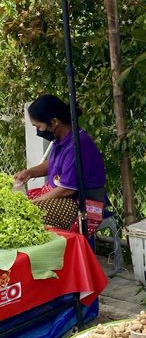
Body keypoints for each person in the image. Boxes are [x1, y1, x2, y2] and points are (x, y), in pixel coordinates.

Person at [14, 95, 107, 234]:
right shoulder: (62, 139)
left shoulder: (78, 145)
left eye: (39, 126)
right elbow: (53, 164)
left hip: (85, 205)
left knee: (26, 215)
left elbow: (67, 189)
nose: (38, 131)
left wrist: (33, 204)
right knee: (14, 205)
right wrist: (30, 172)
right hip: (64, 197)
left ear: (54, 121)